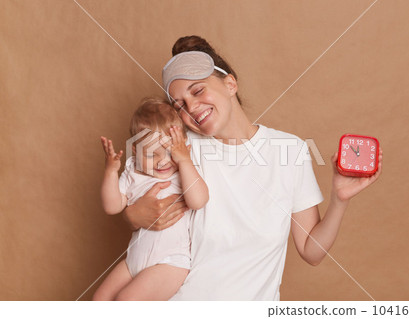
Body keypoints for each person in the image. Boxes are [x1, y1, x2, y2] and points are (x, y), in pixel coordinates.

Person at [123, 36, 383, 300]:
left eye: (198, 91)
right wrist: (132, 215)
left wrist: (339, 200)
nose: (192, 108)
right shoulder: (181, 149)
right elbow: (136, 192)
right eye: (180, 106)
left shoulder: (290, 150)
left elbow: (311, 251)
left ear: (230, 83)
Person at [93, 98, 209, 301]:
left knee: (127, 300)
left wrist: (183, 160)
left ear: (183, 148)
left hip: (170, 263)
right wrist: (111, 171)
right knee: (99, 299)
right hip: (134, 261)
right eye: (151, 155)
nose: (163, 161)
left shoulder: (182, 171)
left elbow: (199, 201)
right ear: (136, 152)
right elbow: (112, 206)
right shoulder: (133, 171)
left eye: (170, 152)